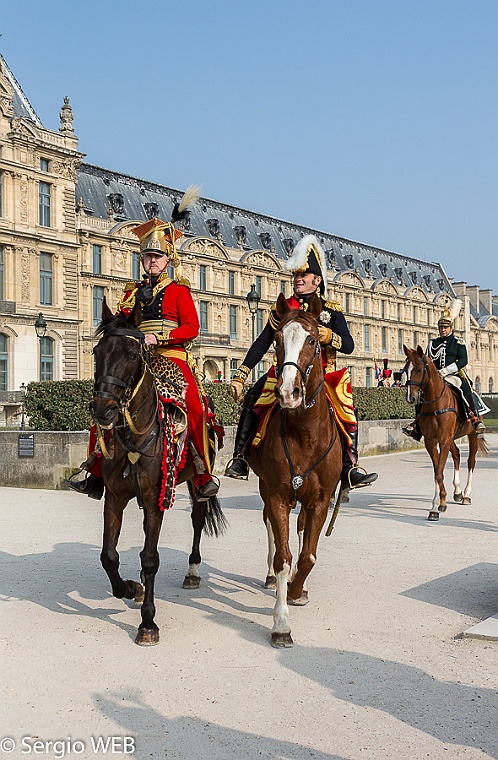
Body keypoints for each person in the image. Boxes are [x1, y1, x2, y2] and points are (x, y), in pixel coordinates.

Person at [68, 187, 219, 502]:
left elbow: (192, 327)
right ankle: (95, 471)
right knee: (106, 401)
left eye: (157, 256)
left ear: (168, 259)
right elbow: (121, 321)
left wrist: (159, 336)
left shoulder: (179, 291)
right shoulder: (132, 290)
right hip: (137, 356)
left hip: (170, 357)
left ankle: (203, 473)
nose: (152, 261)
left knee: (194, 405)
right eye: (147, 256)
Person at [224, 234, 377, 496]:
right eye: (296, 275)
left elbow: (350, 345)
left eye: (304, 275)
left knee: (347, 408)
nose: (298, 280)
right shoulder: (283, 310)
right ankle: (240, 457)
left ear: (317, 280)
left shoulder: (331, 310)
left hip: (322, 374)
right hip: (285, 372)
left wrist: (330, 336)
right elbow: (262, 343)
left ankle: (350, 466)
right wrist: (241, 374)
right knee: (254, 399)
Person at [403, 299, 486, 440]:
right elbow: (428, 360)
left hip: (454, 375)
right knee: (422, 395)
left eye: (445, 327)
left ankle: (475, 417)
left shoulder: (458, 342)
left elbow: (464, 361)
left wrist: (445, 371)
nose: (443, 330)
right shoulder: (433, 343)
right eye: (441, 327)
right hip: (435, 377)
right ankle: (417, 424)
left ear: (450, 328)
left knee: (465, 388)